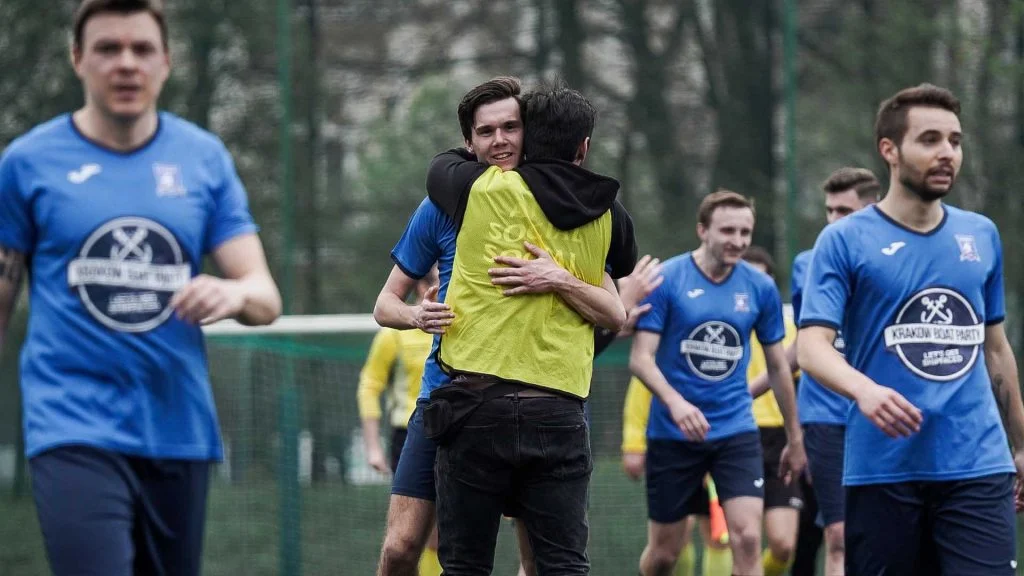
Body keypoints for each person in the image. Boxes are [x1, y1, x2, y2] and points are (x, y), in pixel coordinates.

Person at [0, 2, 282, 575]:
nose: (125, 64)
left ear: (166, 62)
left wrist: (230, 295)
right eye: (108, 48)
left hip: (179, 429)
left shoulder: (204, 160)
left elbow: (264, 295)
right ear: (78, 59)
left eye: (141, 49)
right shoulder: (27, 164)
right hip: (71, 424)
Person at [374, 77, 636, 576]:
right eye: (486, 131)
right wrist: (414, 315)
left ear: (530, 132)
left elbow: (612, 311)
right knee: (401, 547)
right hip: (449, 395)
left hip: (542, 399)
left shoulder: (580, 209)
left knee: (534, 560)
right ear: (469, 142)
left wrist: (560, 280)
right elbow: (385, 303)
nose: (500, 141)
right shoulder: (447, 202)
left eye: (511, 127)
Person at [798, 83, 1024, 574]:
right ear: (890, 150)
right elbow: (811, 347)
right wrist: (865, 391)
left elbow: (996, 349)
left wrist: (1021, 446)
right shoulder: (842, 241)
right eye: (930, 140)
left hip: (978, 466)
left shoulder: (980, 234)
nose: (947, 153)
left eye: (955, 141)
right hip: (882, 469)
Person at [630, 191, 806, 576]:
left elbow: (779, 367)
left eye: (745, 232)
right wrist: (676, 403)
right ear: (702, 230)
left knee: (746, 538)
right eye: (728, 230)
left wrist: (795, 438)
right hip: (673, 435)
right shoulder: (667, 280)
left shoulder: (759, 289)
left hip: (736, 430)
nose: (738, 241)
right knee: (664, 555)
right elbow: (641, 359)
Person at [751, 166, 881, 575]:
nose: (833, 221)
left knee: (879, 533)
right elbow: (804, 346)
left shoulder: (895, 257)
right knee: (838, 535)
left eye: (844, 211)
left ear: (872, 209)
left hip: (881, 416)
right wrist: (745, 392)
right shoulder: (811, 263)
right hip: (824, 418)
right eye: (829, 211)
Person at [358, 269, 439, 574]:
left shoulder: (459, 324)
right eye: (434, 279)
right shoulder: (394, 333)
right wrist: (372, 447)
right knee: (404, 542)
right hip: (408, 435)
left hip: (453, 432)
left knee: (442, 535)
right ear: (420, 286)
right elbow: (370, 384)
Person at [742, 246, 802, 576]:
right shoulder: (718, 322)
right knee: (740, 540)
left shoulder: (789, 332)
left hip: (780, 438)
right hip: (736, 435)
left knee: (783, 546)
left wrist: (798, 436)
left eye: (761, 278)